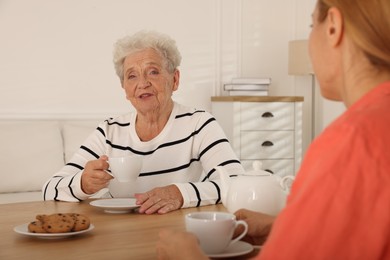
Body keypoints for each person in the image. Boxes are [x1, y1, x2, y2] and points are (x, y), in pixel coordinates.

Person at [156, 0, 390, 258]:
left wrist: (187, 255)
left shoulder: (352, 140)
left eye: (312, 25)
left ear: (333, 27)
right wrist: (284, 228)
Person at [42, 30, 244, 214]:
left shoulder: (199, 124)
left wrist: (180, 194)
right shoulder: (109, 131)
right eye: (132, 76)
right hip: (118, 234)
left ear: (174, 80)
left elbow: (236, 184)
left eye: (153, 72)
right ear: (124, 88)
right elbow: (50, 188)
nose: (142, 83)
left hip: (176, 230)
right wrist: (83, 184)